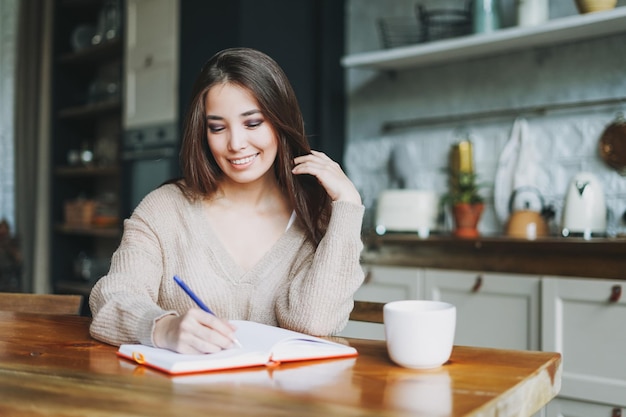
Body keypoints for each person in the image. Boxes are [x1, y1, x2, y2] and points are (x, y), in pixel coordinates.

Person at [89, 47, 365, 354]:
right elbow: (110, 299)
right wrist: (163, 327)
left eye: (252, 123)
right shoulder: (164, 210)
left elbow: (314, 321)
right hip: (179, 399)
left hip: (279, 400)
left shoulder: (315, 215)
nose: (235, 144)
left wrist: (349, 205)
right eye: (217, 128)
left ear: (280, 121)